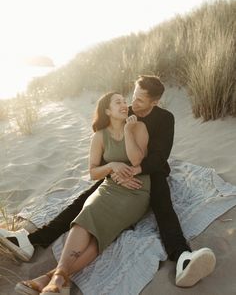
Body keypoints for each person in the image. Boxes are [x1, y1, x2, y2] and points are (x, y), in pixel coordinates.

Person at [0, 75, 216, 289]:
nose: (133, 103)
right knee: (84, 200)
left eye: (140, 99)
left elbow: (160, 157)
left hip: (151, 171)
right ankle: (32, 240)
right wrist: (114, 171)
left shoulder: (165, 118)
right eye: (133, 96)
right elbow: (108, 149)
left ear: (155, 102)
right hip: (119, 172)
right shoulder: (127, 111)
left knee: (163, 204)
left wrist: (133, 170)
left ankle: (182, 256)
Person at [15, 91, 151, 294]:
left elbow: (137, 160)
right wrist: (111, 166)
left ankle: (50, 278)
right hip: (110, 186)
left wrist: (129, 131)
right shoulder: (99, 136)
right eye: (118, 102)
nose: (125, 104)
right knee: (85, 216)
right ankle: (60, 279)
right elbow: (93, 172)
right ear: (107, 110)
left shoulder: (138, 126)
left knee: (102, 233)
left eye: (125, 101)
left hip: (136, 190)